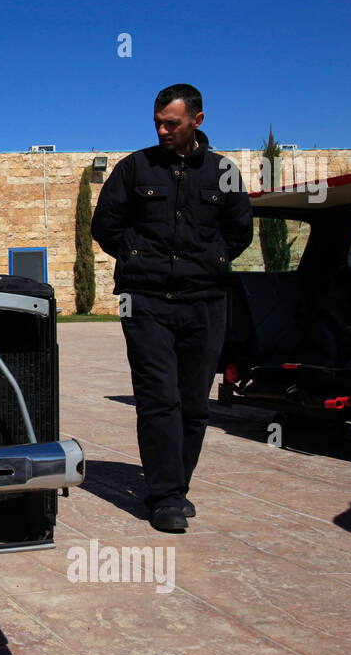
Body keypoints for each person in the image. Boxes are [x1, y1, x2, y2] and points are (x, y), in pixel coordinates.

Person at [91, 84, 253, 533]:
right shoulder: (134, 168)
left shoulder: (223, 172)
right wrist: (137, 257)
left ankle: (177, 485)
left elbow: (240, 232)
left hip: (205, 303)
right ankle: (164, 497)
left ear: (196, 121)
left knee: (195, 404)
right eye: (158, 122)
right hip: (145, 303)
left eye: (172, 123)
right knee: (159, 399)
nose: (163, 130)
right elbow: (105, 225)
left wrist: (211, 260)